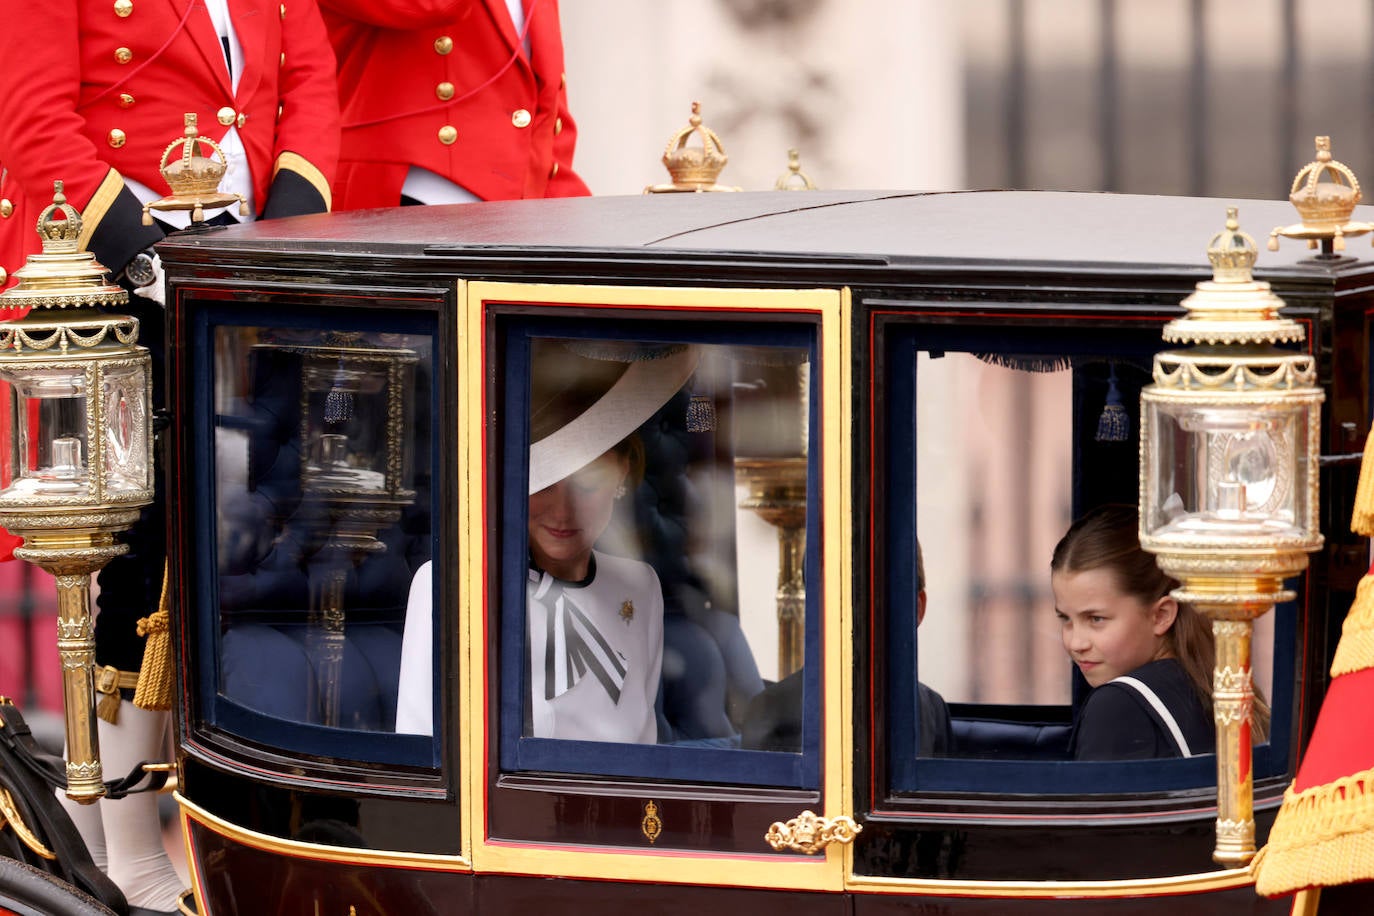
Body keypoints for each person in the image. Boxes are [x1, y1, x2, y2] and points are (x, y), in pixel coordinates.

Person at [0, 5, 340, 913]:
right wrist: (145, 256)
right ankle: (128, 853)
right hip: (126, 285)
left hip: (256, 276)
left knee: (270, 554)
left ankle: (240, 832)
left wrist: (289, 234)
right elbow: (35, 122)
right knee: (143, 568)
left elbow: (309, 87)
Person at [396, 340, 698, 742]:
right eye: (543, 485)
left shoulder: (640, 586)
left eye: (588, 485)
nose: (563, 512)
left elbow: (643, 747)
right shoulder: (453, 585)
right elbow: (423, 748)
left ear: (623, 474)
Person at [318, 0, 590, 208]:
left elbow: (545, 110)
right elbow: (430, 5)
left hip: (514, 219)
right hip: (396, 202)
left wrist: (572, 219)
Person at [1051, 504, 1260, 761]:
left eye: (1096, 619)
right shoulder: (1203, 682)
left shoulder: (1117, 706)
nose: (1076, 643)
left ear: (1161, 616)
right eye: (1066, 619)